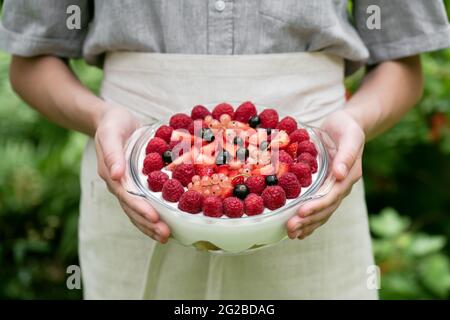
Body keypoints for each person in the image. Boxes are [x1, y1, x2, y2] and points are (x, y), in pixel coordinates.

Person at [1, 0, 449, 299]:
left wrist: (354, 122)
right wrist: (101, 118)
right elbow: (32, 61)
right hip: (137, 174)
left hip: (314, 174)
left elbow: (402, 60)